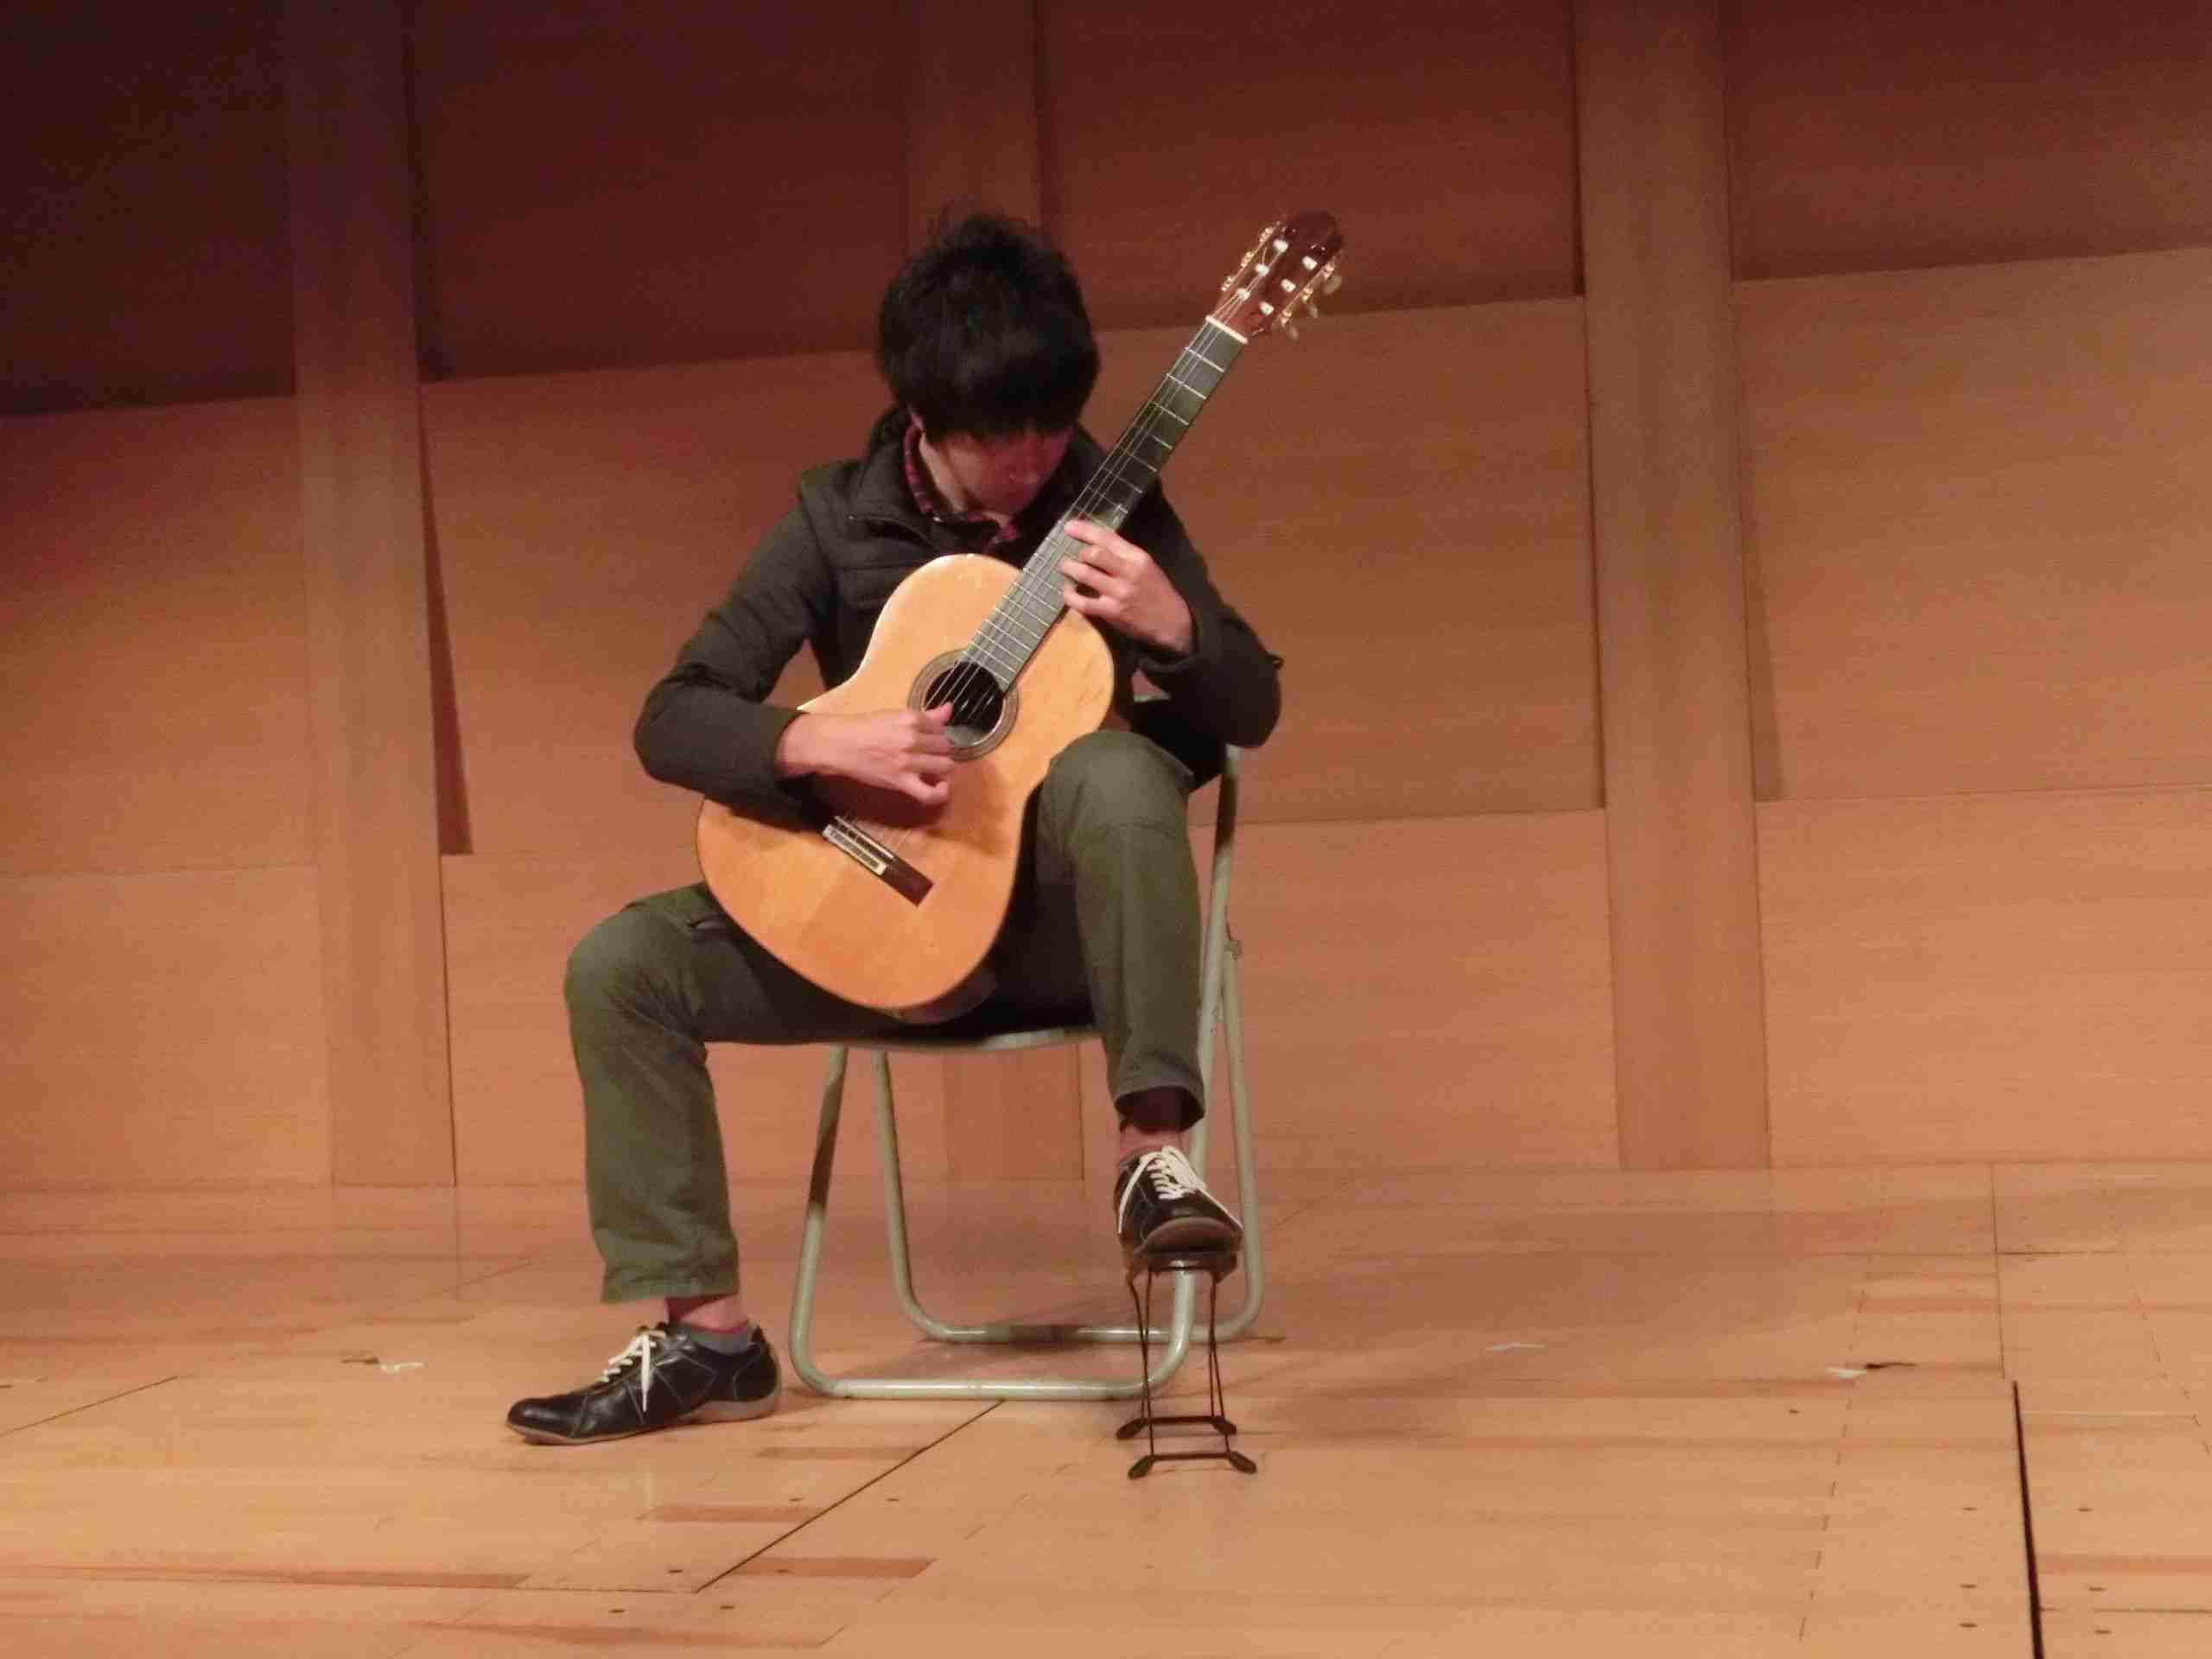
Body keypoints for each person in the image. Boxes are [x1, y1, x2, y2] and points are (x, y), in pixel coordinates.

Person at [505, 213, 1282, 1446]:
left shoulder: (1114, 505)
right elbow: (672, 718)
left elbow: (1252, 713)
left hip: (1061, 939)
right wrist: (819, 744)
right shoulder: (833, 522)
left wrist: (1175, 628)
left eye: (1051, 427)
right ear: (923, 416)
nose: (1032, 461)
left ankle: (1153, 1158)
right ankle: (709, 1340)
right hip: (878, 923)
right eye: (997, 437)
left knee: (1119, 769)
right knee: (621, 967)